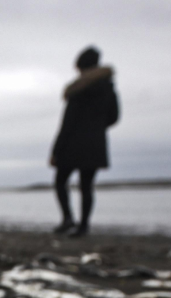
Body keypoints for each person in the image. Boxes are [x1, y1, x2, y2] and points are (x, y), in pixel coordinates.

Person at [49, 46, 119, 237]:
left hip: (73, 143)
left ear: (81, 66)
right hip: (95, 143)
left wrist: (56, 150)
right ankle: (83, 226)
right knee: (86, 186)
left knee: (60, 180)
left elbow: (67, 123)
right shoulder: (108, 87)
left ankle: (68, 219)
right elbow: (113, 117)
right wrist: (96, 127)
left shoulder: (78, 90)